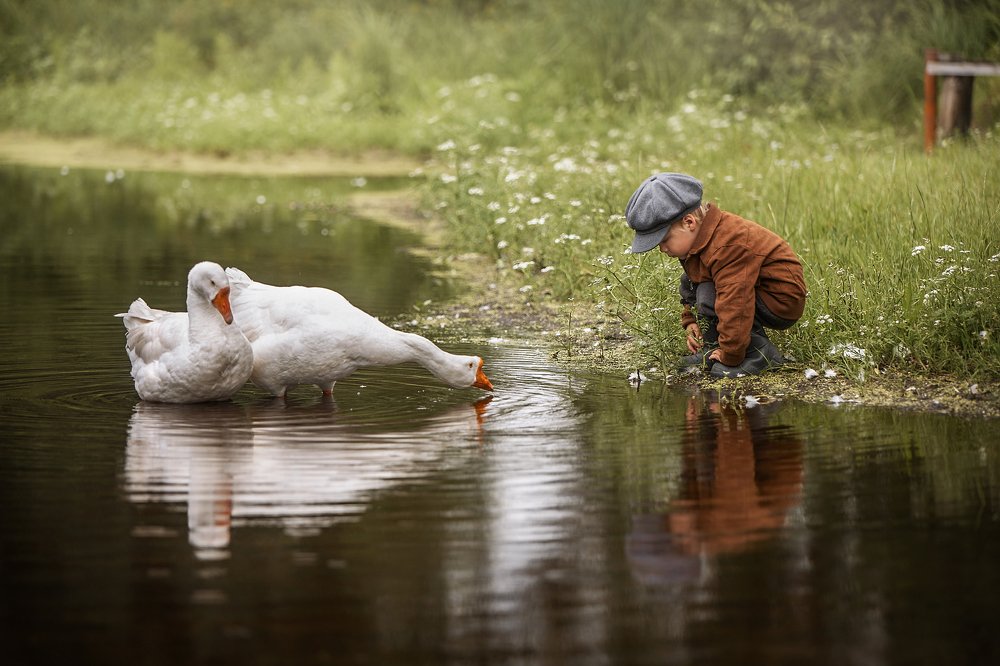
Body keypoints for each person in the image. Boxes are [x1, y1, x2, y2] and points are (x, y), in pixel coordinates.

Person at [625, 172, 806, 378]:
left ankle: (759, 353)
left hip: (779, 300)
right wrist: (691, 320)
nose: (662, 249)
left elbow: (735, 302)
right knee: (702, 287)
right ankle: (712, 347)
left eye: (664, 240)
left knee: (711, 294)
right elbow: (691, 280)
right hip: (751, 290)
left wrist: (731, 355)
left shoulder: (728, 245)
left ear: (689, 222)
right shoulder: (698, 240)